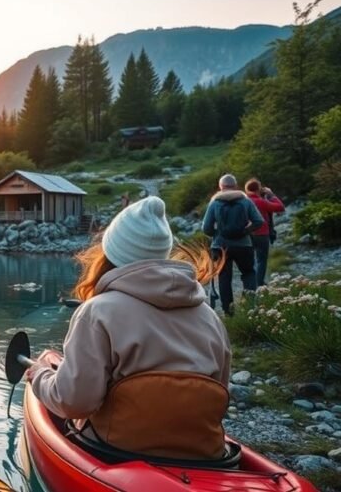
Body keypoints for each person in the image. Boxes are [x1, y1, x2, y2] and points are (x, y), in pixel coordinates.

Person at [26, 196, 231, 460]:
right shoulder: (209, 316)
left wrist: (40, 376)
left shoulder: (97, 311)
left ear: (110, 254)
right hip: (203, 452)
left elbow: (74, 402)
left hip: (117, 450)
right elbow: (221, 395)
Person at [202, 174, 263, 316]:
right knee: (248, 273)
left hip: (221, 246)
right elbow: (259, 221)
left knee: (224, 277)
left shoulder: (215, 202)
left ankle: (228, 311)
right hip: (244, 245)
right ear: (235, 186)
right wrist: (245, 231)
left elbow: (206, 228)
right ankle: (250, 306)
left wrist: (218, 234)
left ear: (220, 187)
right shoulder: (245, 201)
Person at [244, 178, 285, 287]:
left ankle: (250, 284)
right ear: (258, 189)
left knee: (249, 261)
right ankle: (259, 283)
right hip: (262, 234)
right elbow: (280, 207)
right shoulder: (261, 201)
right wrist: (271, 195)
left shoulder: (243, 201)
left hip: (247, 234)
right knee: (261, 260)